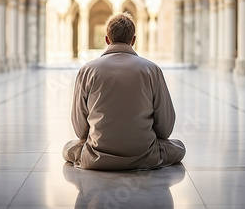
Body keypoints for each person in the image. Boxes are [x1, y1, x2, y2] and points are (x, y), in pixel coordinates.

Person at [63, 12, 185, 170]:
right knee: (178, 147)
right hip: (145, 156)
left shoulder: (87, 70)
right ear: (133, 40)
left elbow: (80, 130)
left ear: (107, 39)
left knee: (69, 147)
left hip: (96, 157)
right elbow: (166, 128)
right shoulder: (152, 70)